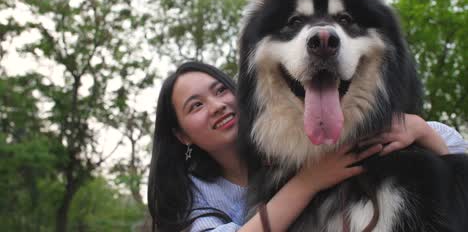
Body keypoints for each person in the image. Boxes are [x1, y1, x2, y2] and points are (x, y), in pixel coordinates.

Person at [147, 61, 467, 232]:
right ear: (182, 135)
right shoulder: (193, 194)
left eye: (221, 90)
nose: (217, 105)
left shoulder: (296, 132)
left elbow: (454, 155)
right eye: (196, 105)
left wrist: (421, 130)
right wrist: (309, 182)